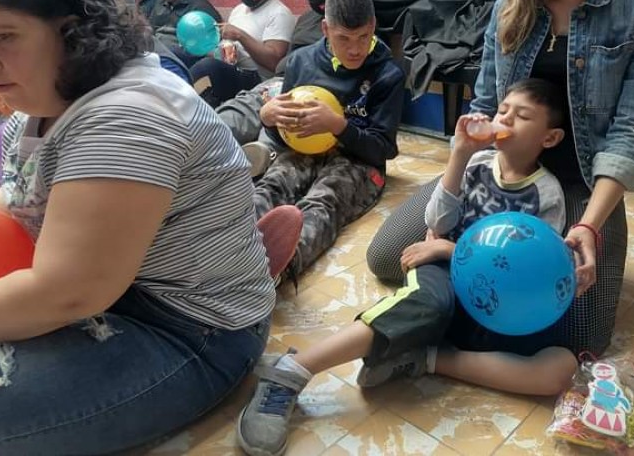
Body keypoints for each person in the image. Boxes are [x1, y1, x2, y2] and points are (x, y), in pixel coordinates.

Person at [0, 0, 277, 455]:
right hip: (117, 286)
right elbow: (11, 197)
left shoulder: (125, 117)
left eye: (1, 36)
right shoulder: (47, 96)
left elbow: (67, 291)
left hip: (189, 331)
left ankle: (247, 267)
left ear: (69, 30)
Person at [366, 0, 634, 360]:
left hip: (578, 189)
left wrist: (588, 225)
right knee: (386, 257)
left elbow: (631, 131)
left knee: (582, 334)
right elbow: (486, 103)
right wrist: (463, 167)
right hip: (499, 175)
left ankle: (447, 333)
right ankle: (465, 274)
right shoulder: (514, 0)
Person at [237, 79, 573, 456]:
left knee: (560, 367)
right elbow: (437, 222)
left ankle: (423, 358)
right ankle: (290, 371)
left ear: (550, 138)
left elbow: (532, 265)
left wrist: (452, 248)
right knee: (428, 303)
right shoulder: (478, 164)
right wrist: (458, 157)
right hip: (442, 270)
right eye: (503, 110)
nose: (506, 119)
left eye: (522, 116)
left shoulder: (546, 194)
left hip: (494, 300)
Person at [252, 0, 405, 280]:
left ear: (373, 26)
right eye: (343, 38)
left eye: (363, 36)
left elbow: (383, 149)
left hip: (358, 162)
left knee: (322, 201)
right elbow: (282, 135)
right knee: (270, 187)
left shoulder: (388, 74)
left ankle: (275, 274)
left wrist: (338, 126)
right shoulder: (300, 61)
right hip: (303, 151)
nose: (355, 48)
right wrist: (269, 119)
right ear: (325, 28)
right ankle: (232, 251)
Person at [215, 0, 347, 145]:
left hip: (315, 86)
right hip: (281, 82)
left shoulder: (348, 22)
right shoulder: (306, 18)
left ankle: (262, 151)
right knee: (243, 108)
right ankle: (208, 132)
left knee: (283, 118)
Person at [190, 0, 296, 104]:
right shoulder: (239, 10)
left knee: (207, 67)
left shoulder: (279, 13)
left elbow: (274, 62)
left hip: (260, 82)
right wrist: (208, 49)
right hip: (235, 71)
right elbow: (230, 56)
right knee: (188, 55)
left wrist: (239, 35)